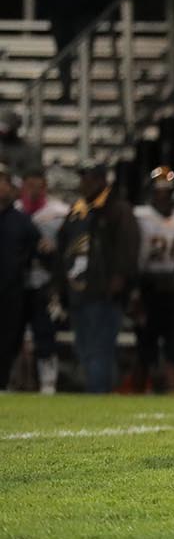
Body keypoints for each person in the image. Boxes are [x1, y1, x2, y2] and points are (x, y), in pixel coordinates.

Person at [56, 164, 139, 393]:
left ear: (102, 180)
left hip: (103, 293)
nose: (83, 183)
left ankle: (98, 394)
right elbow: (63, 247)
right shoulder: (77, 210)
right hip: (78, 291)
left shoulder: (117, 209)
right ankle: (100, 393)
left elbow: (129, 247)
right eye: (83, 178)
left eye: (88, 178)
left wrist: (120, 278)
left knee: (99, 349)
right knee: (85, 349)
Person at [132, 167, 174, 392]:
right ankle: (137, 393)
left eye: (167, 191)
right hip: (147, 284)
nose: (163, 196)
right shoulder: (140, 216)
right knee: (144, 346)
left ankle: (172, 393)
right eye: (159, 191)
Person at [17, 166, 69, 392]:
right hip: (16, 283)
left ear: (45, 187)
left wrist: (55, 248)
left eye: (38, 187)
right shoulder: (13, 211)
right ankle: (14, 381)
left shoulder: (59, 212)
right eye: (29, 186)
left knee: (45, 334)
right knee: (12, 336)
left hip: (45, 282)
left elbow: (71, 244)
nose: (34, 191)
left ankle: (48, 383)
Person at [0, 165, 40, 387]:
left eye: (2, 181)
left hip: (10, 291)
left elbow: (39, 250)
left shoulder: (22, 220)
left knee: (7, 341)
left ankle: (2, 384)